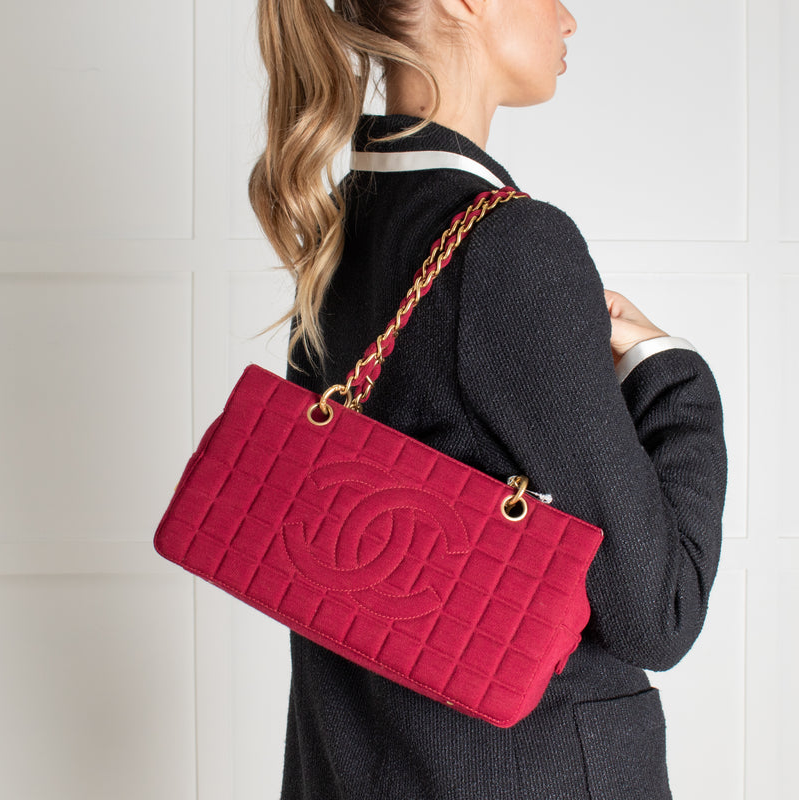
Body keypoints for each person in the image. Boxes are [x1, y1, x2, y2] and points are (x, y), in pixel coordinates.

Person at [247, 0, 728, 797]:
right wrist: (669, 370)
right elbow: (658, 611)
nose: (569, 19)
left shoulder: (335, 233)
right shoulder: (509, 246)